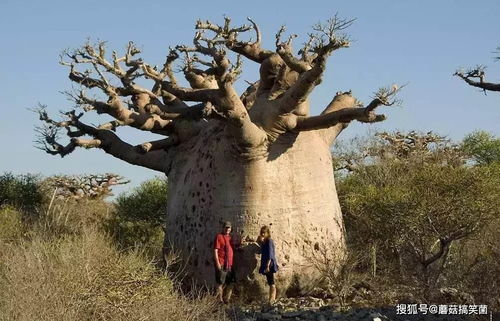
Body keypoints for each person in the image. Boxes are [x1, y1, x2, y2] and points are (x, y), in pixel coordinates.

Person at [213, 221, 236, 304]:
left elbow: (234, 248)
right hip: (222, 263)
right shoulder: (219, 237)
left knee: (231, 282)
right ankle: (219, 301)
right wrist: (218, 263)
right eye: (226, 227)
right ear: (223, 228)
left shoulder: (230, 238)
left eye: (229, 228)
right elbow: (215, 250)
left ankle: (227, 299)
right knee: (220, 282)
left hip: (230, 264)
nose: (227, 229)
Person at [257, 225, 278, 304]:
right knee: (270, 281)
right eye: (261, 233)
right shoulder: (265, 241)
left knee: (271, 281)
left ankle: (272, 299)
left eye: (264, 233)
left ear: (267, 233)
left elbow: (270, 254)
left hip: (269, 264)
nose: (262, 234)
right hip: (266, 263)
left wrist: (267, 266)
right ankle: (271, 299)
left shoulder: (269, 241)